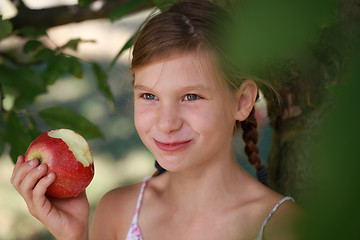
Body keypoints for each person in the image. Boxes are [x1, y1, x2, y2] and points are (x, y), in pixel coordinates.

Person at [11, 0, 302, 239]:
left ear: (241, 101)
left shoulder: (283, 227)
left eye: (191, 97)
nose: (166, 123)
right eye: (149, 96)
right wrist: (72, 237)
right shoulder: (118, 212)